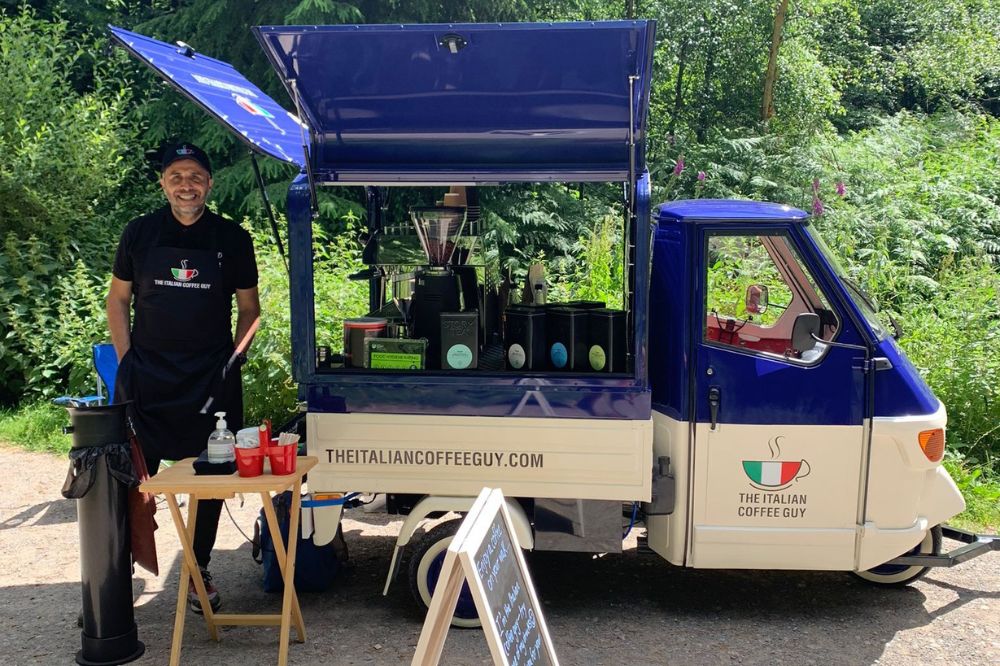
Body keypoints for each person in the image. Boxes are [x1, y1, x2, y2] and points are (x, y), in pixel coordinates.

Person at [107, 143, 260, 613]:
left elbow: (250, 310)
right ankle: (114, 577)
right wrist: (127, 358)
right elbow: (118, 301)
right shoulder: (139, 234)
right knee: (124, 477)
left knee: (209, 481)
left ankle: (198, 569)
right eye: (176, 176)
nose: (186, 185)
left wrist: (232, 363)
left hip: (209, 377)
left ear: (209, 184)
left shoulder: (232, 238)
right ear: (163, 184)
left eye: (195, 176)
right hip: (146, 377)